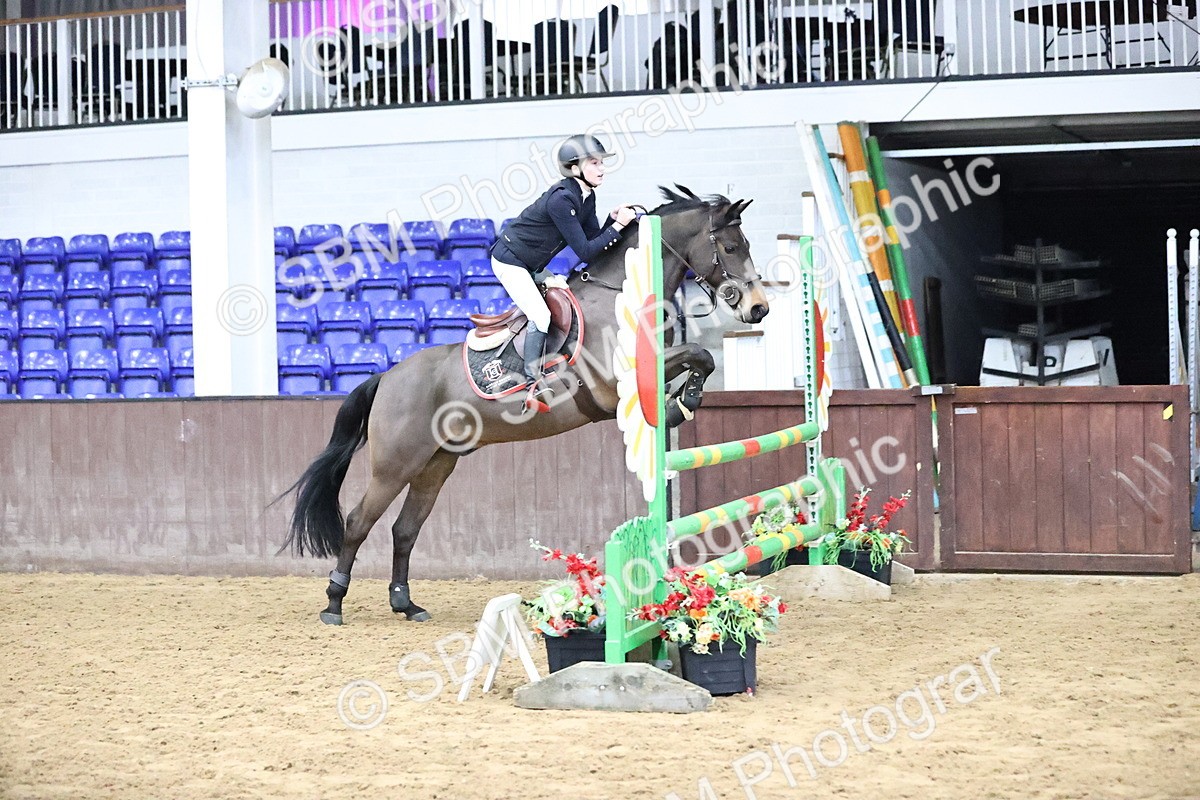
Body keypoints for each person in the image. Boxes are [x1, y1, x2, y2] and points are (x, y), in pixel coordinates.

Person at [490, 133, 637, 410]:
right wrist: (617, 228)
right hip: (510, 261)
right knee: (541, 315)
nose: (601, 168)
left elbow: (594, 240)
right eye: (594, 163)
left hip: (533, 265)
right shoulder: (561, 199)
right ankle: (531, 384)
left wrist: (612, 221)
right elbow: (583, 250)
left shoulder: (586, 196)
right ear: (574, 168)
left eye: (600, 162)